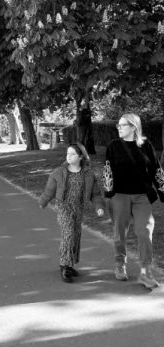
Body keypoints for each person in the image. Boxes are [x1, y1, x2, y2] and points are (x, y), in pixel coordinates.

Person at [103, 115, 161, 289]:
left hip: (141, 196)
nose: (118, 128)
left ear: (133, 127)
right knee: (120, 233)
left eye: (122, 125)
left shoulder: (146, 146)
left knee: (144, 231)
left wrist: (162, 191)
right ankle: (120, 264)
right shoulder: (113, 146)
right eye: (118, 125)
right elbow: (107, 170)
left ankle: (145, 272)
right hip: (120, 195)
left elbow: (155, 169)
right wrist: (109, 194)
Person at [41, 142, 101, 282]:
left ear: (80, 157)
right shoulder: (59, 172)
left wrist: (99, 206)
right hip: (64, 207)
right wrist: (43, 201)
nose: (69, 156)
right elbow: (50, 189)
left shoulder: (88, 174)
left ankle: (70, 264)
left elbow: (95, 193)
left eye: (72, 154)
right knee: (68, 234)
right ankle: (64, 266)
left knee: (76, 235)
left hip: (78, 208)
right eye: (67, 153)